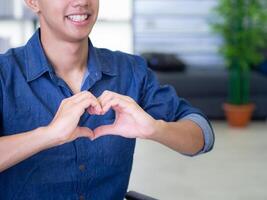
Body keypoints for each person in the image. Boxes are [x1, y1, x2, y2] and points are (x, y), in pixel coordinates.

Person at [0, 0, 214, 199]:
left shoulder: (131, 71)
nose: (82, 2)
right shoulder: (4, 74)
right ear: (32, 1)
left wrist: (155, 129)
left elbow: (201, 137)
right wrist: (48, 135)